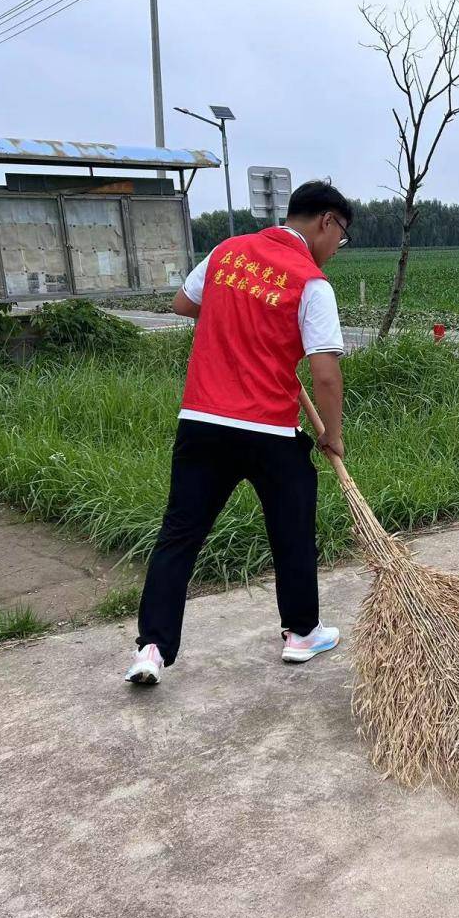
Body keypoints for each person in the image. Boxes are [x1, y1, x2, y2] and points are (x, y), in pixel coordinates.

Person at [124, 181, 352, 684]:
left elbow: (184, 303)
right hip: (268, 428)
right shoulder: (311, 282)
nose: (338, 248)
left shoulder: (227, 253)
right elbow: (326, 373)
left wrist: (238, 318)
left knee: (179, 535)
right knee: (292, 527)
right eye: (342, 237)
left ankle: (152, 649)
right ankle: (301, 633)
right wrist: (332, 435)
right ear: (327, 222)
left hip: (201, 423)